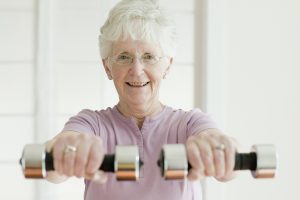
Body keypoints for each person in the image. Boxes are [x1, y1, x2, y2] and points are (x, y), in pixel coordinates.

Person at [46, 0, 238, 199]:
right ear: (107, 66)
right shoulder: (92, 124)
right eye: (123, 57)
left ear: (167, 65)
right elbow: (53, 171)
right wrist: (67, 148)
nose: (137, 71)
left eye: (149, 56)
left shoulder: (189, 124)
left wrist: (217, 147)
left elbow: (228, 169)